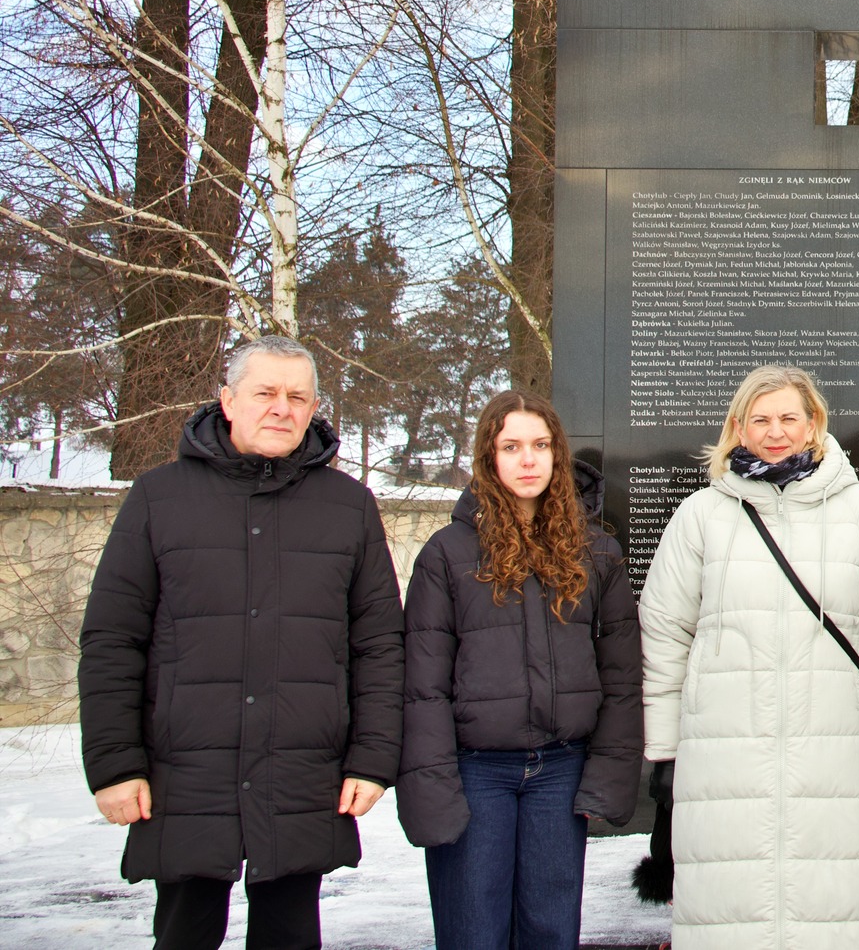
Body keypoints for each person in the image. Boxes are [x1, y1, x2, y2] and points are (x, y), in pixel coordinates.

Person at [77, 335, 405, 950]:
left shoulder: (349, 507)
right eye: (265, 393)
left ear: (312, 409)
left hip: (302, 770)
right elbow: (112, 641)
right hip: (187, 770)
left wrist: (371, 758)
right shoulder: (157, 497)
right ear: (228, 400)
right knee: (184, 934)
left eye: (297, 396)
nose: (282, 408)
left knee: (290, 934)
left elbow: (380, 644)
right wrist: (116, 764)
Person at [639, 364, 859, 949]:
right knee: (729, 919)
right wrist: (665, 750)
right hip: (723, 762)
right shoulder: (700, 517)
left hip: (834, 760)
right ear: (737, 428)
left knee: (831, 916)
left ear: (814, 422)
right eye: (760, 419)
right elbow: (665, 637)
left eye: (789, 417)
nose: (776, 432)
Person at [396, 390, 643, 950]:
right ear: (489, 457)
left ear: (557, 454)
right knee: (473, 933)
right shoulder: (447, 553)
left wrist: (606, 775)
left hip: (560, 772)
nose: (527, 460)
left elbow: (622, 678)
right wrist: (433, 785)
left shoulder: (596, 551)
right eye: (511, 447)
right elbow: (423, 685)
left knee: (551, 933)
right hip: (475, 772)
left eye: (540, 445)